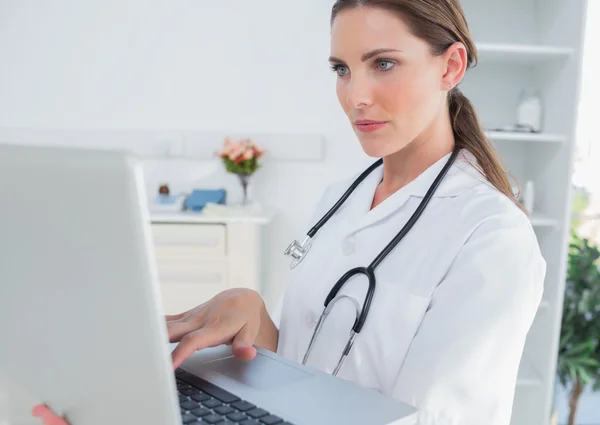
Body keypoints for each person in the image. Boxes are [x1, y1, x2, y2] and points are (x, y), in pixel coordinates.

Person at [32, 0, 546, 424]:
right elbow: (309, 372)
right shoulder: (339, 198)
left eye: (383, 63)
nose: (355, 96)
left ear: (450, 67)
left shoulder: (492, 236)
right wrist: (256, 318)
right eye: (342, 69)